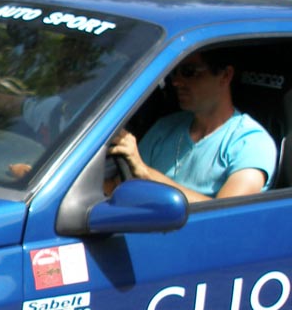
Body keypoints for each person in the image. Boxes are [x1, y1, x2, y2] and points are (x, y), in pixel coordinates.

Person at [109, 50, 277, 202]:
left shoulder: (252, 143)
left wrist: (146, 174)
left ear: (225, 75)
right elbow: (116, 188)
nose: (176, 81)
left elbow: (226, 217)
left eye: (189, 72)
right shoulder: (165, 126)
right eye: (174, 72)